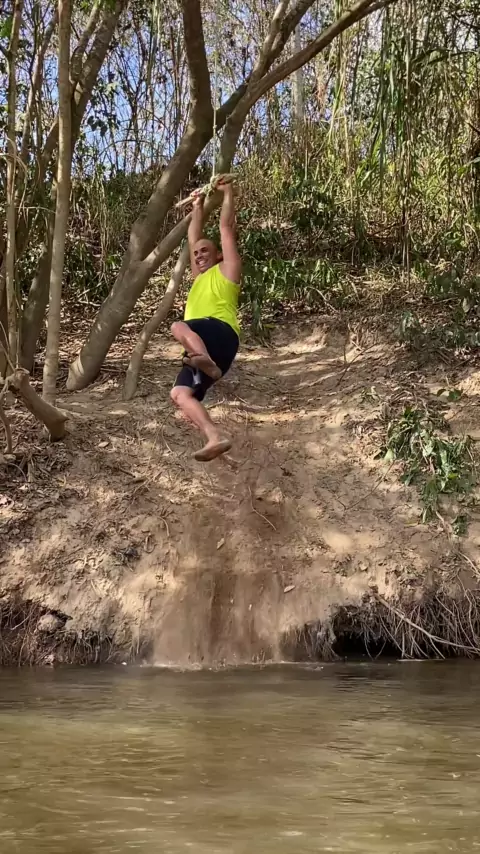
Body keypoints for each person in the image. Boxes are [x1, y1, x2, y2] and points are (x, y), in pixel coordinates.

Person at [170, 181, 241, 462]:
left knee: (178, 326)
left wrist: (227, 193)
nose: (198, 255)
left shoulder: (227, 269)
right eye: (196, 253)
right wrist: (197, 205)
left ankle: (204, 360)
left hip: (220, 332)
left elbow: (225, 228)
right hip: (203, 347)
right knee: (180, 394)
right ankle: (214, 437)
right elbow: (193, 238)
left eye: (205, 251)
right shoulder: (198, 278)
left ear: (218, 254)